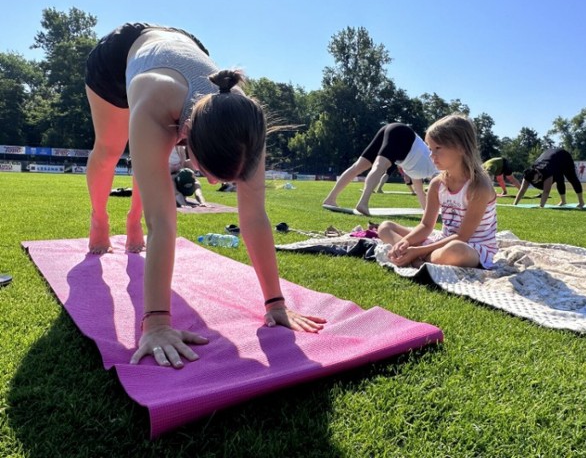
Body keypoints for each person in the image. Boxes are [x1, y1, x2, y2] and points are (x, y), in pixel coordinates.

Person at [84, 22, 326, 369]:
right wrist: (156, 323)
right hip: (121, 55)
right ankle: (101, 220)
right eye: (209, 174)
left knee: (149, 184)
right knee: (110, 149)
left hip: (183, 47)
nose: (211, 185)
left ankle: (131, 223)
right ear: (186, 140)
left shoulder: (244, 119)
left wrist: (276, 303)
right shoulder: (153, 97)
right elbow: (164, 223)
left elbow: (254, 216)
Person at [378, 114, 497, 269]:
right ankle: (416, 257)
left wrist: (417, 250)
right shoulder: (437, 184)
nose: (431, 155)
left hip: (472, 248)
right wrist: (404, 243)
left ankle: (419, 258)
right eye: (429, 149)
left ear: (460, 147)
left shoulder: (479, 187)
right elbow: (426, 225)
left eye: (437, 148)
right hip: (441, 240)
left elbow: (462, 237)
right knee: (385, 227)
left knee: (456, 250)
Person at [323, 123, 437, 215]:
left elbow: (419, 191)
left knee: (358, 167)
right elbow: (434, 187)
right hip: (404, 136)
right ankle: (362, 203)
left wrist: (427, 210)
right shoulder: (436, 169)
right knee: (379, 166)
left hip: (396, 130)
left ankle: (330, 199)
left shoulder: (418, 172)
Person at [513, 148, 585, 208]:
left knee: (572, 178)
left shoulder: (546, 171)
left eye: (539, 179)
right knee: (559, 179)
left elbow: (546, 191)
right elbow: (522, 190)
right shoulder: (528, 175)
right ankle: (563, 201)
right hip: (552, 159)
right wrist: (515, 204)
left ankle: (581, 202)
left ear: (538, 173)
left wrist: (541, 206)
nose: (539, 181)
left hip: (563, 156)